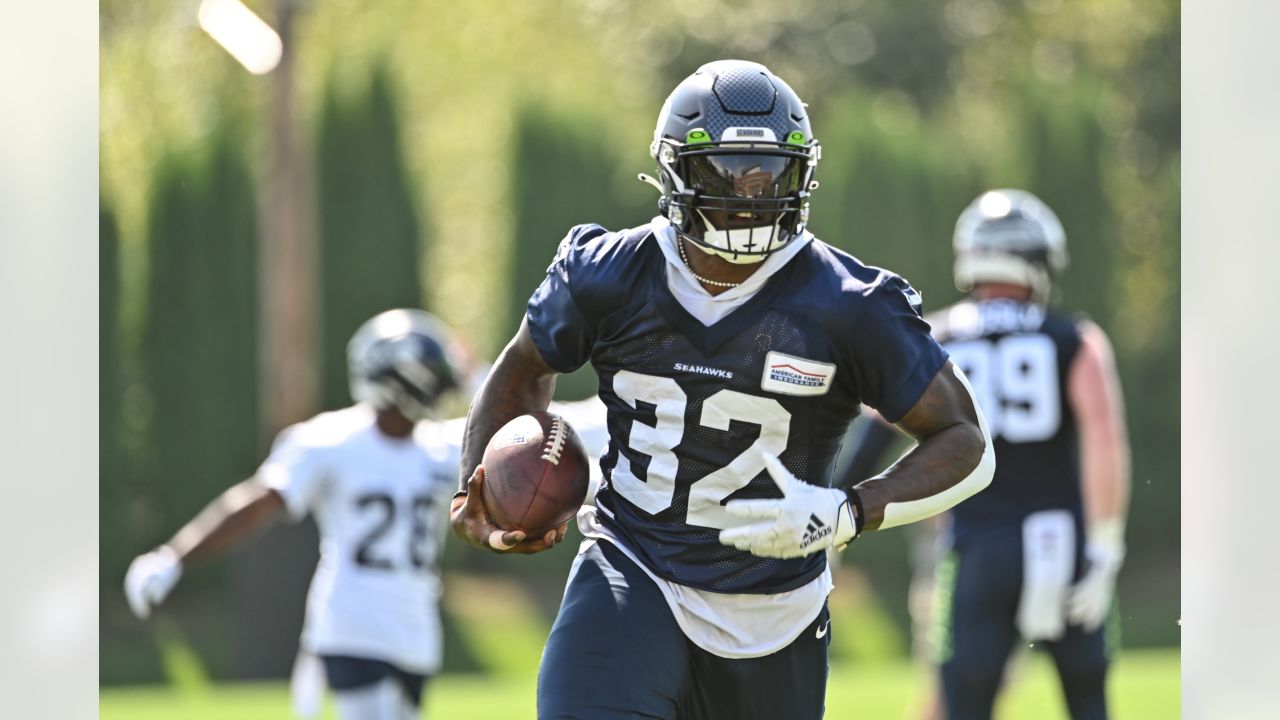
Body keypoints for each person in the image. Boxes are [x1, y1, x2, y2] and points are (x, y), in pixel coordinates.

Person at [448, 59, 996, 720]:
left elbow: (967, 442)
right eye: (727, 173)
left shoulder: (848, 303)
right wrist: (476, 488)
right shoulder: (608, 276)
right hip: (634, 567)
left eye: (774, 173)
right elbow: (522, 369)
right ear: (677, 174)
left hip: (775, 611)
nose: (753, 195)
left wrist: (849, 509)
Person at [840, 189, 1131, 719]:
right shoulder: (1075, 338)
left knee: (963, 704)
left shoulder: (937, 338)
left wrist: (840, 511)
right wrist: (1106, 546)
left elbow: (876, 432)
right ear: (1037, 263)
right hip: (1063, 544)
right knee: (1089, 702)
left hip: (976, 548)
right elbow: (1105, 441)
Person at [124, 309, 469, 720]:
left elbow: (541, 424)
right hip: (353, 623)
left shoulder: (443, 446)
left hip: (415, 629)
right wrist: (174, 557)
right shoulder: (332, 441)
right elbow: (254, 504)